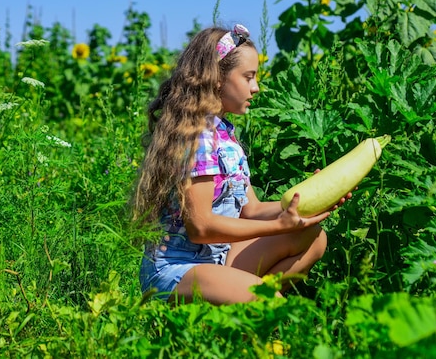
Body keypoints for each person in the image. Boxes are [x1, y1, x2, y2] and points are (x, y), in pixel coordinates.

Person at [133, 24, 349, 305]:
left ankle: (233, 315)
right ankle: (248, 310)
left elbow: (253, 210)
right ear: (217, 78)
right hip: (176, 271)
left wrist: (311, 199)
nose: (255, 87)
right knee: (269, 302)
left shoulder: (224, 135)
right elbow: (201, 228)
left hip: (217, 258)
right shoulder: (197, 137)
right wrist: (279, 226)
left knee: (312, 237)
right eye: (248, 77)